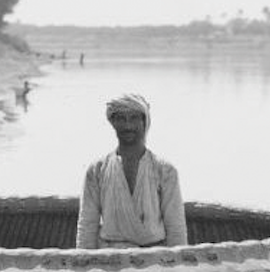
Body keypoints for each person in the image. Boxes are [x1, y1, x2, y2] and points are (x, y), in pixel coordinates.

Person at [75, 92, 187, 249]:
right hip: (109, 257)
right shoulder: (97, 170)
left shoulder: (165, 171)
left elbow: (176, 228)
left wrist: (178, 267)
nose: (128, 125)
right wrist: (83, 264)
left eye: (134, 118)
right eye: (121, 119)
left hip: (154, 257)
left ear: (144, 122)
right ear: (113, 123)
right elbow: (87, 224)